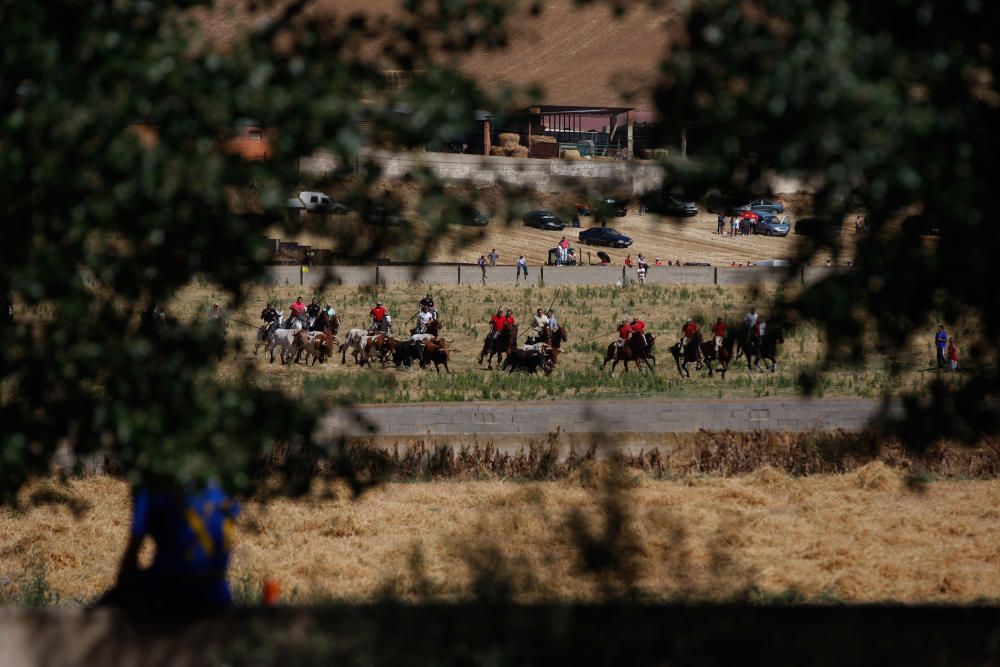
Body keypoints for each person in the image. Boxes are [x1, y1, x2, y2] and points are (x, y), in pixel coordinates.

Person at [99, 482, 240, 613]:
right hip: (218, 596)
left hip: (169, 593)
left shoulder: (156, 484)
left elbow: (131, 557)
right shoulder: (225, 487)